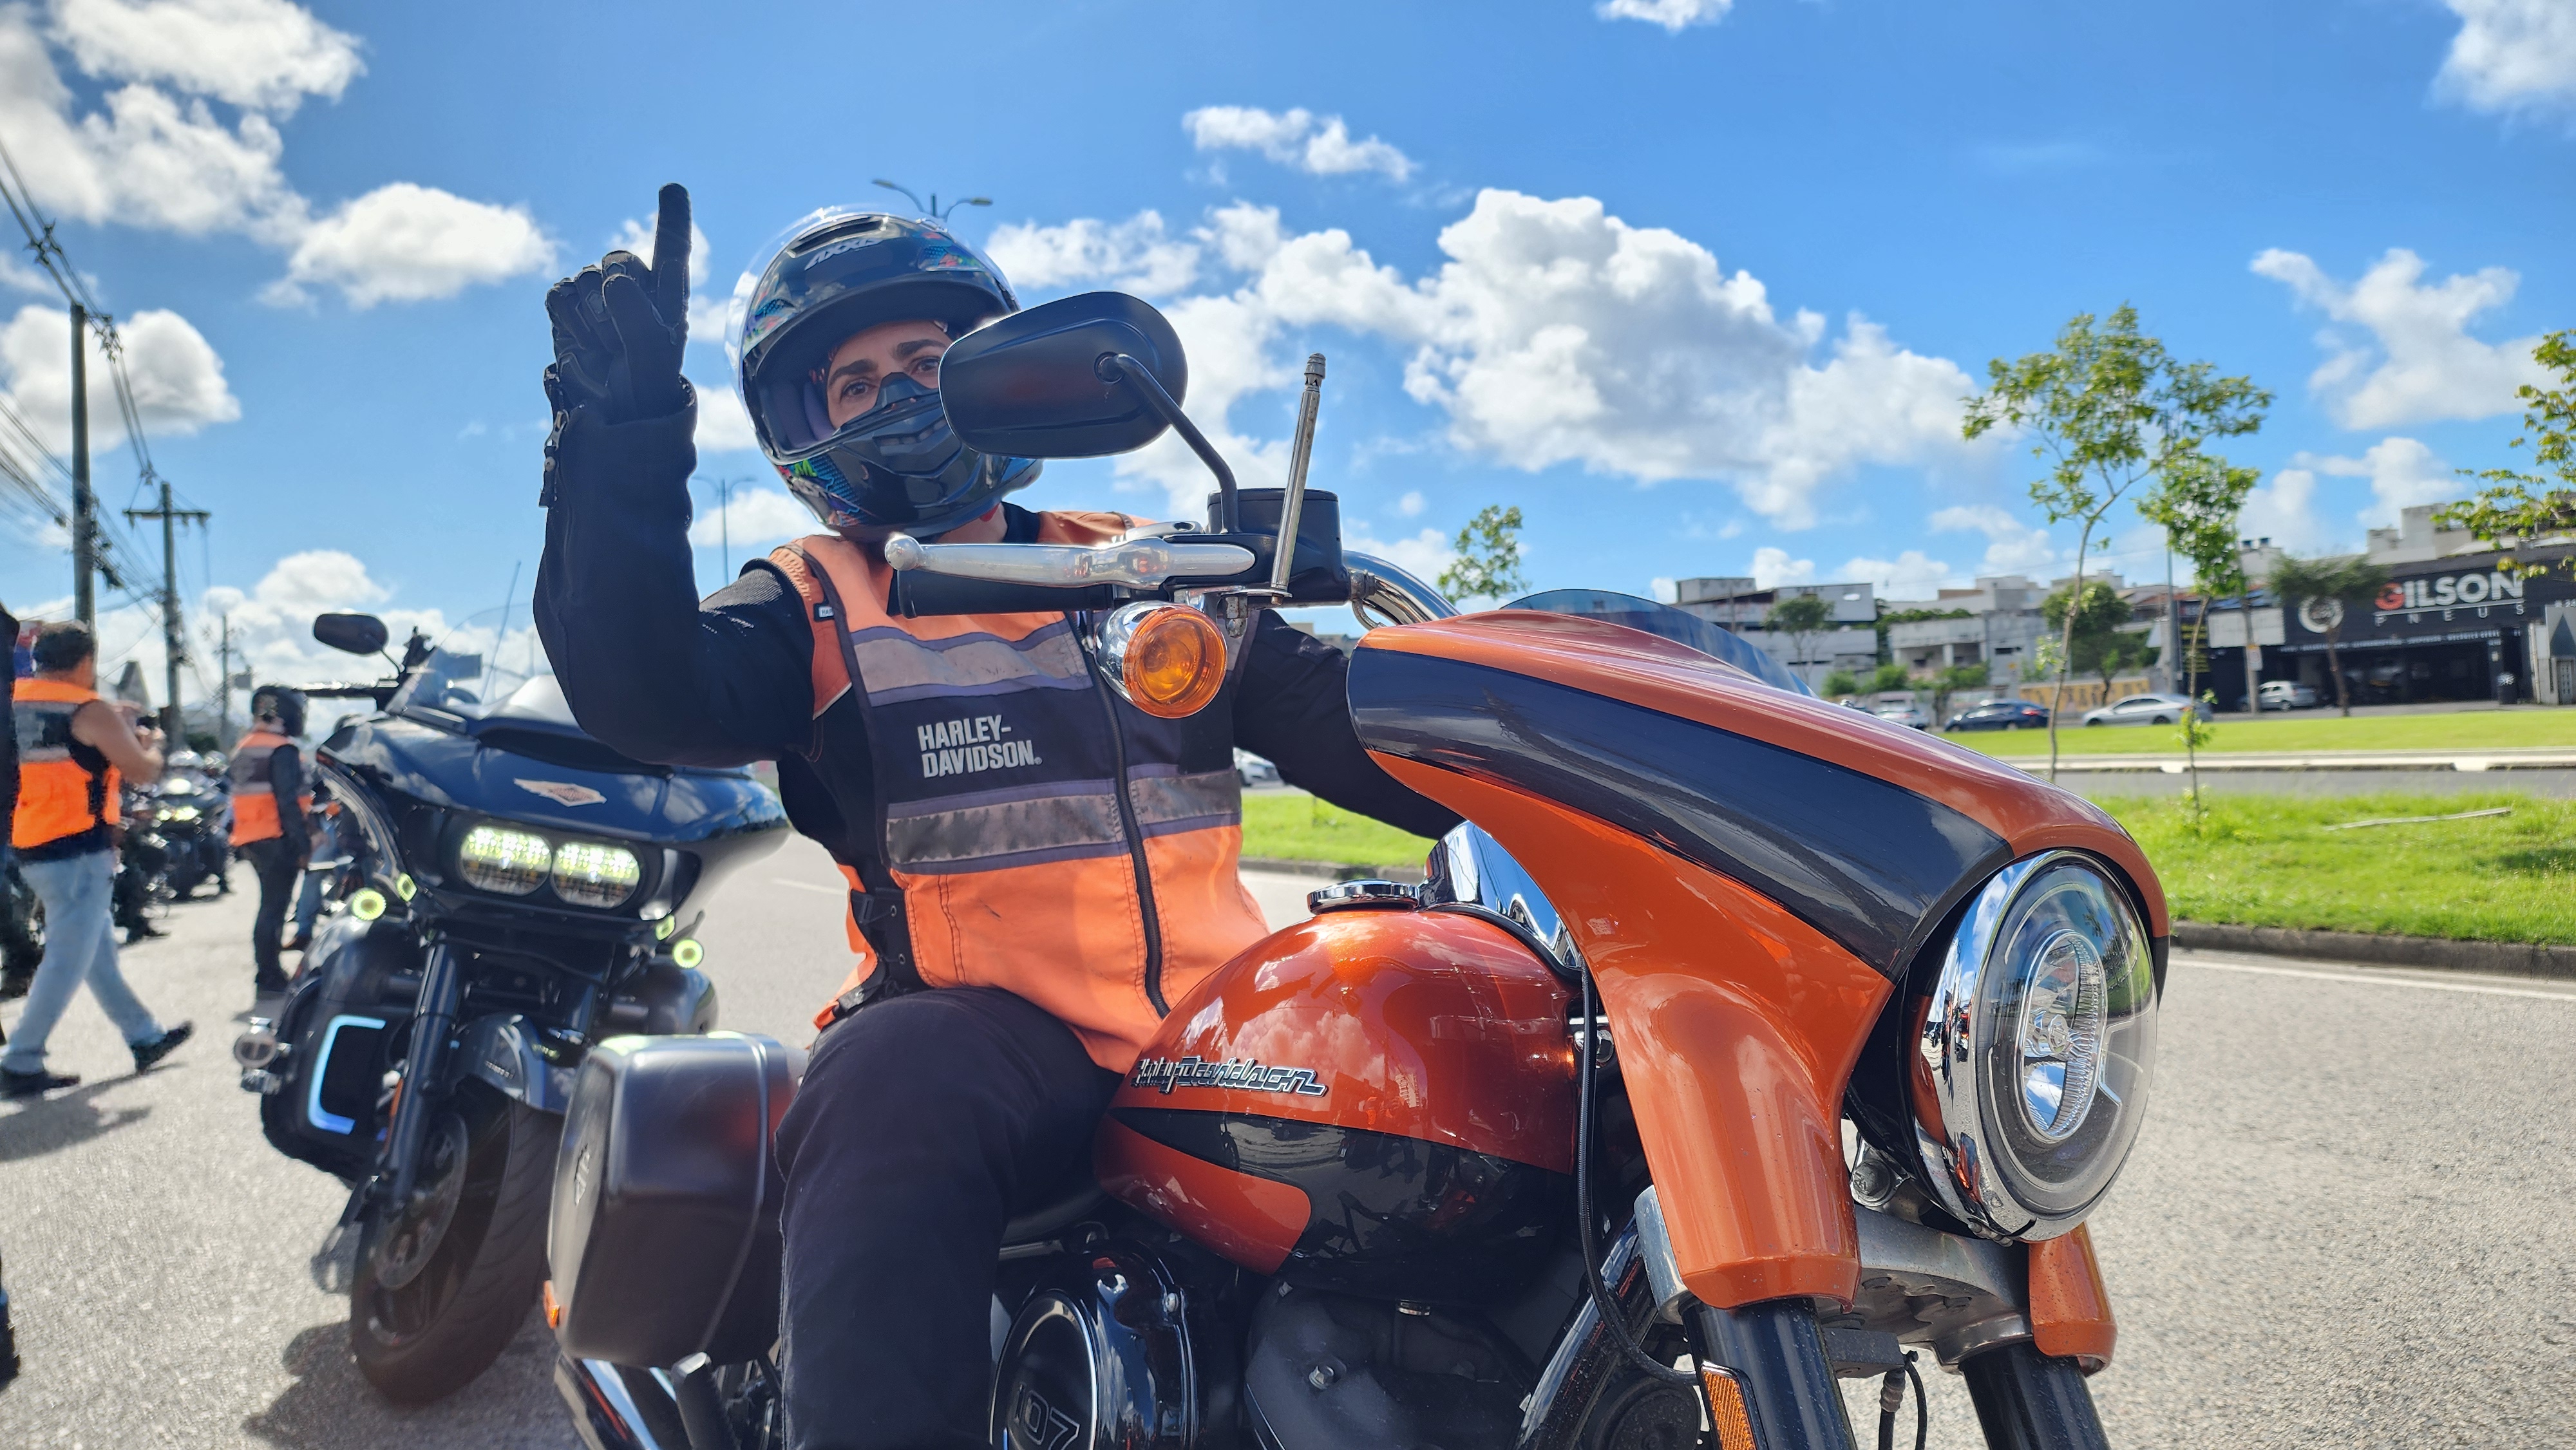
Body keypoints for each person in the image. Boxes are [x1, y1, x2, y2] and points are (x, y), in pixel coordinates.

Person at [535, 187, 1460, 1450]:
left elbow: (1363, 735)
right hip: (994, 1056)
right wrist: (619, 438)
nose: (900, 396)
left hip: (1221, 1041)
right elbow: (643, 688)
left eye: (928, 361)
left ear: (1006, 381)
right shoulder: (816, 597)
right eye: (856, 382)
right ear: (807, 426)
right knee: (890, 1075)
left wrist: (1540, 744)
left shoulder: (1143, 569)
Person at [1, 622, 190, 1097]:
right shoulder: (87, 709)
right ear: (87, 661)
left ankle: (144, 1036)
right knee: (68, 957)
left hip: (31, 840)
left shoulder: (16, 701)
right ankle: (21, 1059)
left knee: (95, 949)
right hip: (79, 848)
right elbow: (141, 771)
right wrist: (151, 741)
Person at [229, 687, 311, 995]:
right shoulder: (282, 749)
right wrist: (303, 845)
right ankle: (269, 975)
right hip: (276, 837)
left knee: (269, 906)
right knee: (274, 908)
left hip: (250, 837)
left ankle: (268, 970)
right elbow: (287, 801)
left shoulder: (245, 746)